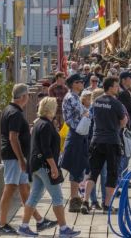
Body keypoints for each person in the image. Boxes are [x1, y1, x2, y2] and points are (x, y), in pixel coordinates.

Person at [16, 97, 81, 237]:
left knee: (33, 197)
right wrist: (53, 167)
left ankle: (24, 226)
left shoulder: (38, 122)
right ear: (50, 108)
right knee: (58, 197)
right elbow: (46, 149)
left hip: (36, 165)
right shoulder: (45, 125)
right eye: (55, 106)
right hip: (44, 165)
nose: (57, 108)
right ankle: (63, 229)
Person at [0, 84, 54, 235]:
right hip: (14, 156)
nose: (28, 98)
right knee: (10, 188)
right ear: (23, 97)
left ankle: (40, 220)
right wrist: (21, 159)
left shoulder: (9, 110)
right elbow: (12, 137)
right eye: (28, 95)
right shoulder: (15, 113)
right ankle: (2, 224)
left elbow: (15, 134)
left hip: (15, 156)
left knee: (24, 189)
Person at [81, 77, 127, 214]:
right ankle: (107, 205)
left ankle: (85, 201)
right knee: (112, 174)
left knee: (93, 173)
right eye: (116, 86)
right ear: (110, 87)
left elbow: (91, 116)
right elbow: (124, 122)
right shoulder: (116, 103)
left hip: (96, 141)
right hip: (112, 141)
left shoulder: (96, 102)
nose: (118, 88)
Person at [59, 73, 89, 213]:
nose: (82, 83)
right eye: (79, 81)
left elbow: (85, 112)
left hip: (79, 134)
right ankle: (74, 199)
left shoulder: (75, 97)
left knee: (78, 168)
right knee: (76, 167)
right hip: (76, 134)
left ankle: (75, 198)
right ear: (73, 84)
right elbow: (83, 111)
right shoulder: (72, 97)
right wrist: (86, 113)